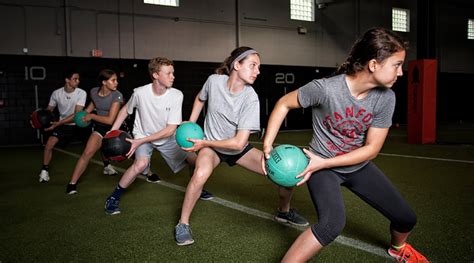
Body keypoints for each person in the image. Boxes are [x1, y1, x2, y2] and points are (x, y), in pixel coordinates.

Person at [262, 28, 429, 262]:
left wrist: (327, 161)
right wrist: (268, 144)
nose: (401, 73)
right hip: (320, 167)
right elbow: (283, 104)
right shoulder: (326, 89)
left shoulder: (385, 98)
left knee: (406, 218)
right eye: (396, 65)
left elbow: (372, 148)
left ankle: (398, 248)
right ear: (373, 65)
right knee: (331, 225)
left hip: (355, 165)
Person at [174, 47, 309, 246]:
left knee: (286, 172)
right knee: (201, 174)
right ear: (237, 65)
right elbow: (200, 98)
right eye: (253, 65)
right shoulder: (213, 81)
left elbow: (238, 142)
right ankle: (182, 223)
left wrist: (204, 142)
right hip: (212, 149)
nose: (258, 71)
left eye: (259, 67)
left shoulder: (250, 97)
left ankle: (284, 212)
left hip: (237, 149)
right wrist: (191, 123)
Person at [103, 57, 212, 215]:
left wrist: (140, 141)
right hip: (143, 134)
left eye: (173, 73)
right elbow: (126, 110)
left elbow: (170, 130)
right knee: (140, 165)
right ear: (155, 75)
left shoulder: (176, 95)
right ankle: (114, 197)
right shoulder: (140, 93)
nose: (173, 76)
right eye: (168, 73)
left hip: (165, 137)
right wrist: (113, 131)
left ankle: (198, 188)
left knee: (196, 160)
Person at [66, 69, 123, 194]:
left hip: (116, 128)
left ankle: (149, 173)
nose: (116, 83)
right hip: (101, 128)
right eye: (113, 80)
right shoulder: (93, 92)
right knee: (87, 152)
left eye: (116, 80)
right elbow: (92, 106)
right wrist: (84, 115)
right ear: (104, 82)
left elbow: (110, 120)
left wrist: (91, 116)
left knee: (134, 156)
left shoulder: (117, 95)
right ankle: (72, 183)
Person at [36, 70, 87, 183]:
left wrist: (57, 123)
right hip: (64, 125)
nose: (78, 81)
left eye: (78, 79)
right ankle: (44, 171)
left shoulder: (81, 93)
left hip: (79, 124)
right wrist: (40, 119)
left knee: (95, 143)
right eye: (75, 79)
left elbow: (76, 115)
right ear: (67, 80)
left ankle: (107, 166)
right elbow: (49, 110)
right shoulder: (56, 93)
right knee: (49, 144)